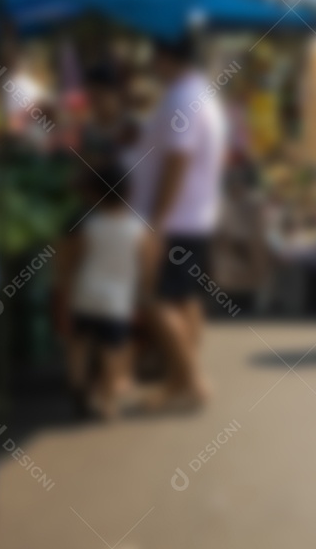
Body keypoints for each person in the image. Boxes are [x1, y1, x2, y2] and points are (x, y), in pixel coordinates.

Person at [127, 36, 227, 411]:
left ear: (166, 57)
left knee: (156, 299)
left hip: (177, 218)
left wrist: (157, 221)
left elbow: (178, 159)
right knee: (185, 299)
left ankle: (190, 380)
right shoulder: (199, 93)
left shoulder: (183, 97)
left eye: (155, 57)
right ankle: (180, 379)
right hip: (194, 215)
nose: (152, 65)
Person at [60, 163, 149, 420]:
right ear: (130, 193)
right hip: (117, 302)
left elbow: (73, 261)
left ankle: (78, 389)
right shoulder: (138, 229)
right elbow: (145, 267)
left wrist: (65, 292)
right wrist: (141, 297)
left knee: (79, 344)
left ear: (94, 194)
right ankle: (109, 402)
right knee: (112, 351)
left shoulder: (88, 226)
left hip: (84, 295)